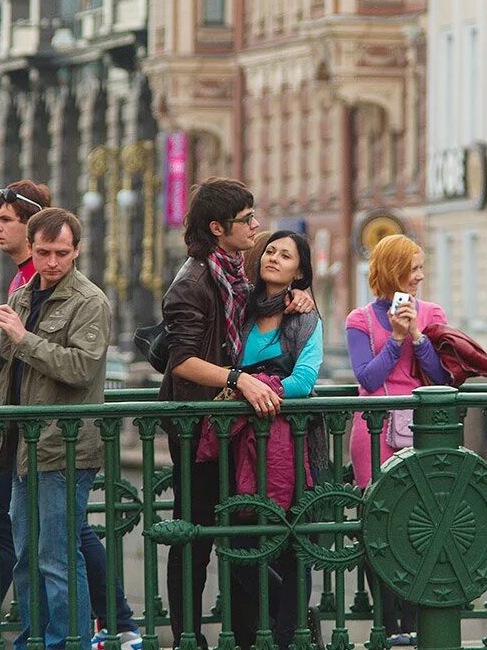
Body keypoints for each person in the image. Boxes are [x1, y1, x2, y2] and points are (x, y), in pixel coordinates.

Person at [0, 182, 141, 650]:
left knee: (58, 557)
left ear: (76, 250)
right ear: (35, 248)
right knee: (25, 555)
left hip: (64, 446)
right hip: (24, 443)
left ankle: (71, 641)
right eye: (44, 252)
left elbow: (81, 369)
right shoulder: (25, 297)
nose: (52, 262)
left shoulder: (90, 302)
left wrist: (24, 340)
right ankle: (37, 638)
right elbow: (7, 369)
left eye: (62, 253)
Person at [158, 178, 314, 648]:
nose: (256, 225)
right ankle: (189, 637)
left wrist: (298, 299)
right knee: (195, 535)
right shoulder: (192, 283)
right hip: (196, 425)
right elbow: (182, 360)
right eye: (246, 219)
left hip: (234, 426)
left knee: (243, 528)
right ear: (217, 228)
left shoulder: (234, 273)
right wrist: (237, 378)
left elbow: (259, 314)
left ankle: (251, 633)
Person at [197, 230, 323, 650]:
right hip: (239, 443)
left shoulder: (305, 317)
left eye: (286, 255)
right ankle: (275, 622)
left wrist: (259, 390)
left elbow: (305, 380)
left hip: (291, 445)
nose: (273, 257)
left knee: (291, 545)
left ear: (299, 271)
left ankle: (289, 637)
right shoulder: (241, 306)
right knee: (237, 543)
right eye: (270, 249)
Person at [345, 234, 451, 646]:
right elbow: (368, 378)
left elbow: (441, 377)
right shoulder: (360, 319)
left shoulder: (432, 313)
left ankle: (415, 618)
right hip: (374, 431)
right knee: (381, 521)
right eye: (414, 269)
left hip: (422, 426)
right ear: (393, 271)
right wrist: (394, 338)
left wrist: (418, 338)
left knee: (422, 521)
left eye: (422, 268)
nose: (421, 277)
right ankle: (388, 622)